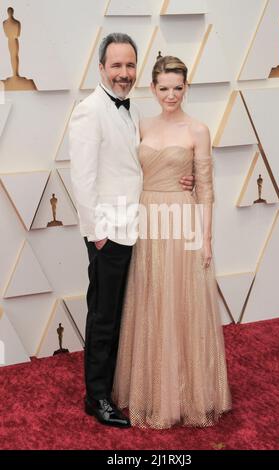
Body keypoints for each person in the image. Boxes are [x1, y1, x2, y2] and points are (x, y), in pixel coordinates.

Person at [69, 34, 193, 428]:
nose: (124, 74)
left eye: (129, 66)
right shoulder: (90, 110)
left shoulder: (132, 109)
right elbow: (83, 179)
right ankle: (97, 397)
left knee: (126, 313)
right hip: (109, 232)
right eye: (116, 66)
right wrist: (97, 233)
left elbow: (141, 164)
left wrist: (181, 178)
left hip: (139, 226)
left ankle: (113, 385)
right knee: (103, 314)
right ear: (101, 68)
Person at [113, 55, 232, 429]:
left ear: (186, 87)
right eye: (163, 88)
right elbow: (125, 171)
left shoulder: (198, 129)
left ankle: (187, 394)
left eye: (177, 88)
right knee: (151, 302)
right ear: (152, 88)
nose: (171, 95)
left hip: (182, 221)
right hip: (148, 218)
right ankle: (151, 391)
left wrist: (207, 238)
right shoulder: (140, 124)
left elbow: (207, 189)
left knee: (182, 305)